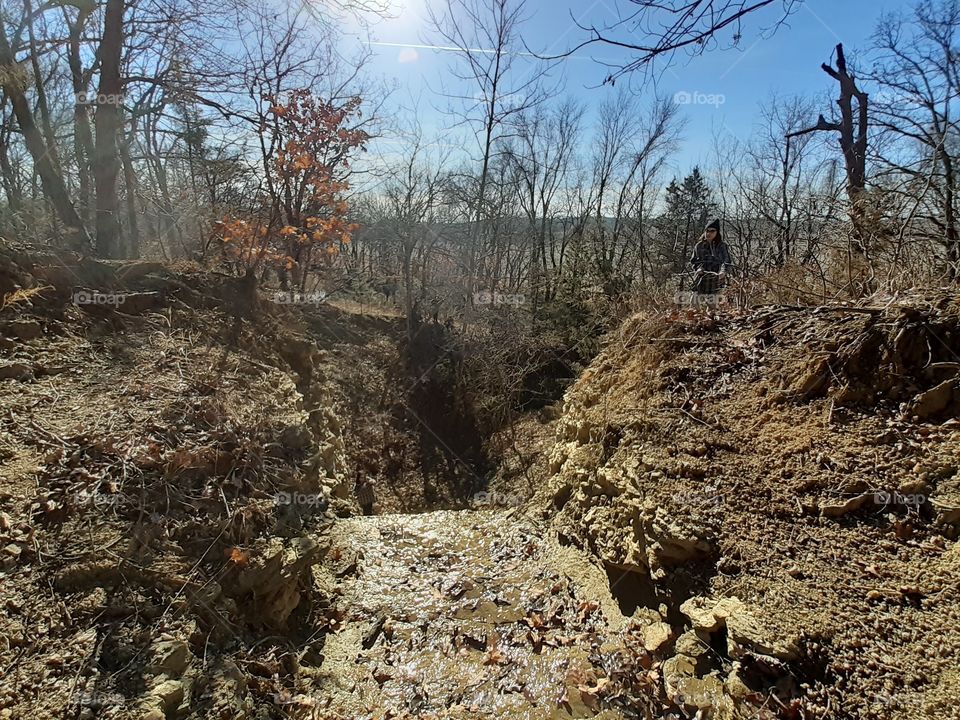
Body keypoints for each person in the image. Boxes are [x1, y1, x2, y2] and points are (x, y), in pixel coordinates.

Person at [690, 219, 731, 298]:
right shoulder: (699, 246)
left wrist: (723, 271)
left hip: (716, 277)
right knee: (694, 300)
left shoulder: (722, 246)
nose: (709, 233)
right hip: (701, 277)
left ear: (717, 232)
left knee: (713, 303)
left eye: (712, 231)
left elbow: (726, 260)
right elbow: (694, 261)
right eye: (707, 231)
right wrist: (698, 269)